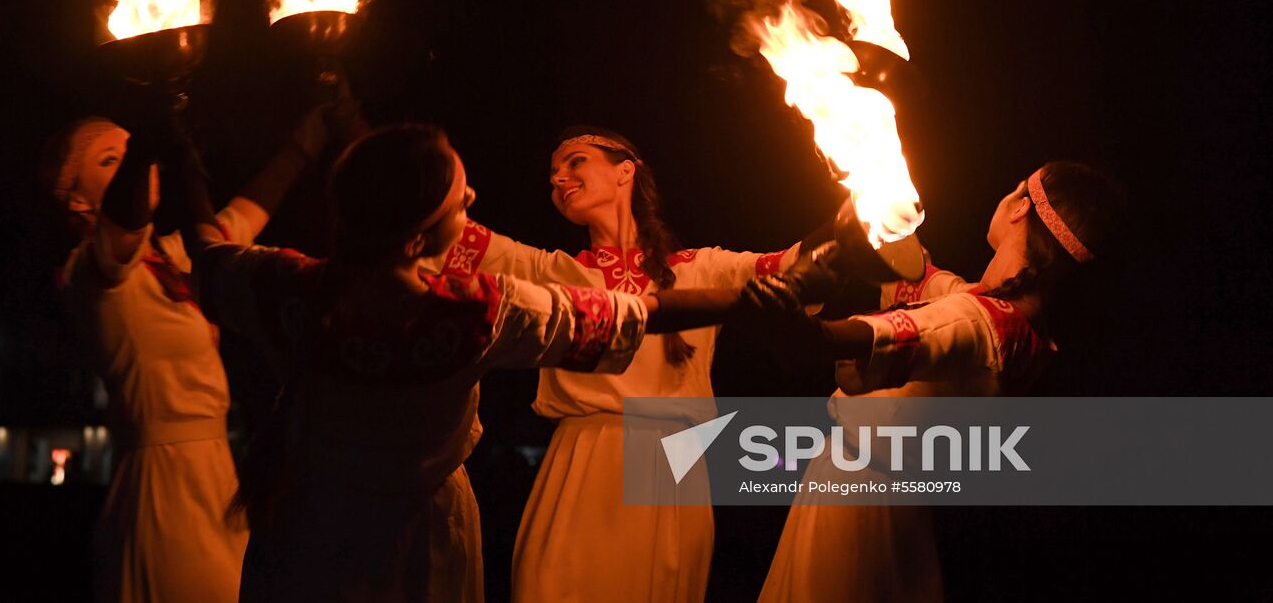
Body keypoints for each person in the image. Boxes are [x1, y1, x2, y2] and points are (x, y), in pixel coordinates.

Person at [189, 124, 809, 603]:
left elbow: (209, 252)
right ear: (426, 224)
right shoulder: (486, 310)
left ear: (628, 172)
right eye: (461, 195)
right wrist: (742, 302)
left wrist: (188, 134)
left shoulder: (281, 285)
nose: (475, 201)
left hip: (307, 524)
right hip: (436, 533)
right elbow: (634, 315)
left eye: (576, 162)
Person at [428, 127, 803, 603]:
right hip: (583, 456)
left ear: (625, 169)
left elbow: (798, 268)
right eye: (552, 174)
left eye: (575, 162)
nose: (559, 178)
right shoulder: (551, 271)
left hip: (673, 462)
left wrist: (865, 210)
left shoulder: (699, 268)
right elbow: (430, 216)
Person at [754, 160, 1124, 603]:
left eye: (1014, 188)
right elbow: (932, 283)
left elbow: (890, 336)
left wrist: (790, 319)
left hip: (859, 513)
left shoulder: (982, 325)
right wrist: (883, 202)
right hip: (892, 506)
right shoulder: (1014, 319)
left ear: (1021, 208)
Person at [44, 101, 353, 603]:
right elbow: (122, 225)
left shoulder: (172, 255)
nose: (131, 164)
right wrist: (146, 138)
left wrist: (309, 137)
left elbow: (239, 219)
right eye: (109, 160)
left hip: (216, 471)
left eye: (132, 152)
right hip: (161, 484)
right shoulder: (90, 275)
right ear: (78, 202)